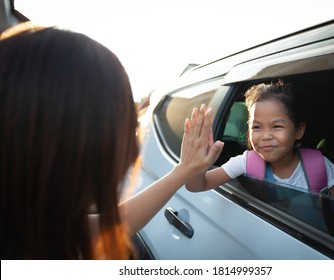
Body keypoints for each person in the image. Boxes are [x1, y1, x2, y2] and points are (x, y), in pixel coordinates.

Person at [0, 23, 223, 259]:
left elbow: (114, 225)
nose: (133, 152)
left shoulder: (34, 223)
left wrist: (182, 171)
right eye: (125, 127)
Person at [185, 80, 334, 198]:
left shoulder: (320, 166)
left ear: (299, 130)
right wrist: (197, 166)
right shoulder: (245, 162)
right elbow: (196, 186)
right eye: (257, 127)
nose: (266, 136)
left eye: (276, 126)